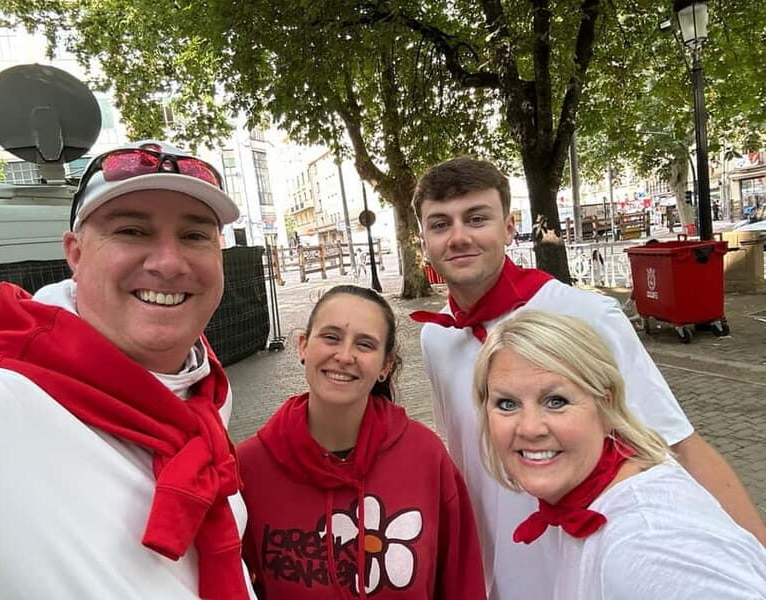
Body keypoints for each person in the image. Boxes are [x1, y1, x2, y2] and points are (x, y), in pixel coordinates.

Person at [409, 156, 766, 600]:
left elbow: (677, 443)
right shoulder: (436, 338)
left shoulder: (585, 314)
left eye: (477, 218)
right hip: (496, 573)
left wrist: (756, 551)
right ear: (423, 240)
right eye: (440, 224)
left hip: (595, 565)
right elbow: (466, 460)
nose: (459, 236)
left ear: (509, 226)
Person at [0, 140, 257, 599]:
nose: (168, 262)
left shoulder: (206, 396)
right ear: (75, 253)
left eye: (194, 235)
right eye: (132, 231)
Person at [473, 310, 766, 599]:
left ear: (606, 406)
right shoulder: (599, 495)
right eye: (507, 404)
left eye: (556, 401)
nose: (530, 428)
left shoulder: (647, 544)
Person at [237, 285, 485, 599]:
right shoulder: (247, 469)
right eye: (331, 337)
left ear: (385, 365)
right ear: (303, 346)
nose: (344, 356)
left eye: (365, 344)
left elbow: (463, 582)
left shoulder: (425, 456)